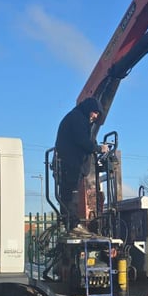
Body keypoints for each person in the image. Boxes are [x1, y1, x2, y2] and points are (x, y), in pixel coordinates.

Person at [54, 98, 107, 231]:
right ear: (89, 109)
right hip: (71, 163)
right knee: (71, 195)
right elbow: (82, 141)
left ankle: (71, 222)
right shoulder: (77, 119)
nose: (95, 116)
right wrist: (99, 148)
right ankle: (72, 224)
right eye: (95, 112)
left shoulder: (76, 118)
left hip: (71, 162)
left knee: (69, 194)